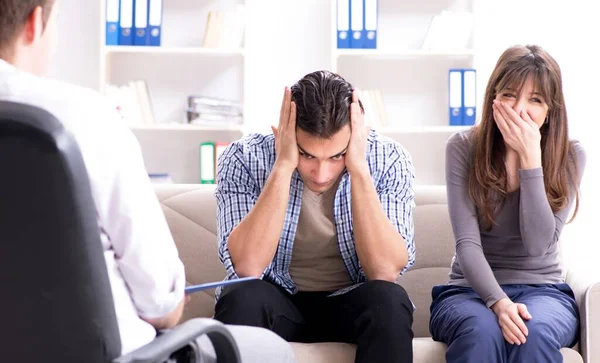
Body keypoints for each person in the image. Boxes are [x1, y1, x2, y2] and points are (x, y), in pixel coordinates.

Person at [0, 1, 294, 361]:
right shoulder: (86, 116)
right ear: (35, 24)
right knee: (270, 352)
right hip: (106, 353)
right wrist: (168, 305)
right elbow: (160, 301)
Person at [213, 70, 416, 363]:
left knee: (389, 300)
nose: (322, 174)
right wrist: (283, 165)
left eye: (336, 156)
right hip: (277, 298)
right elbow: (248, 267)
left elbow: (384, 271)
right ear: (286, 131)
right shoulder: (244, 157)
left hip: (351, 299)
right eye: (307, 155)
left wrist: (358, 168)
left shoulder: (388, 159)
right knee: (242, 297)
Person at [429, 44, 586, 363]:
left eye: (535, 100)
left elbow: (537, 246)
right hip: (467, 292)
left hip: (544, 291)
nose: (519, 110)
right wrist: (498, 302)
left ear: (548, 112)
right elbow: (467, 244)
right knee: (480, 332)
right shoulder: (462, 147)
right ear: (493, 98)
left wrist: (530, 159)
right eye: (510, 95)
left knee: (535, 333)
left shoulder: (570, 156)